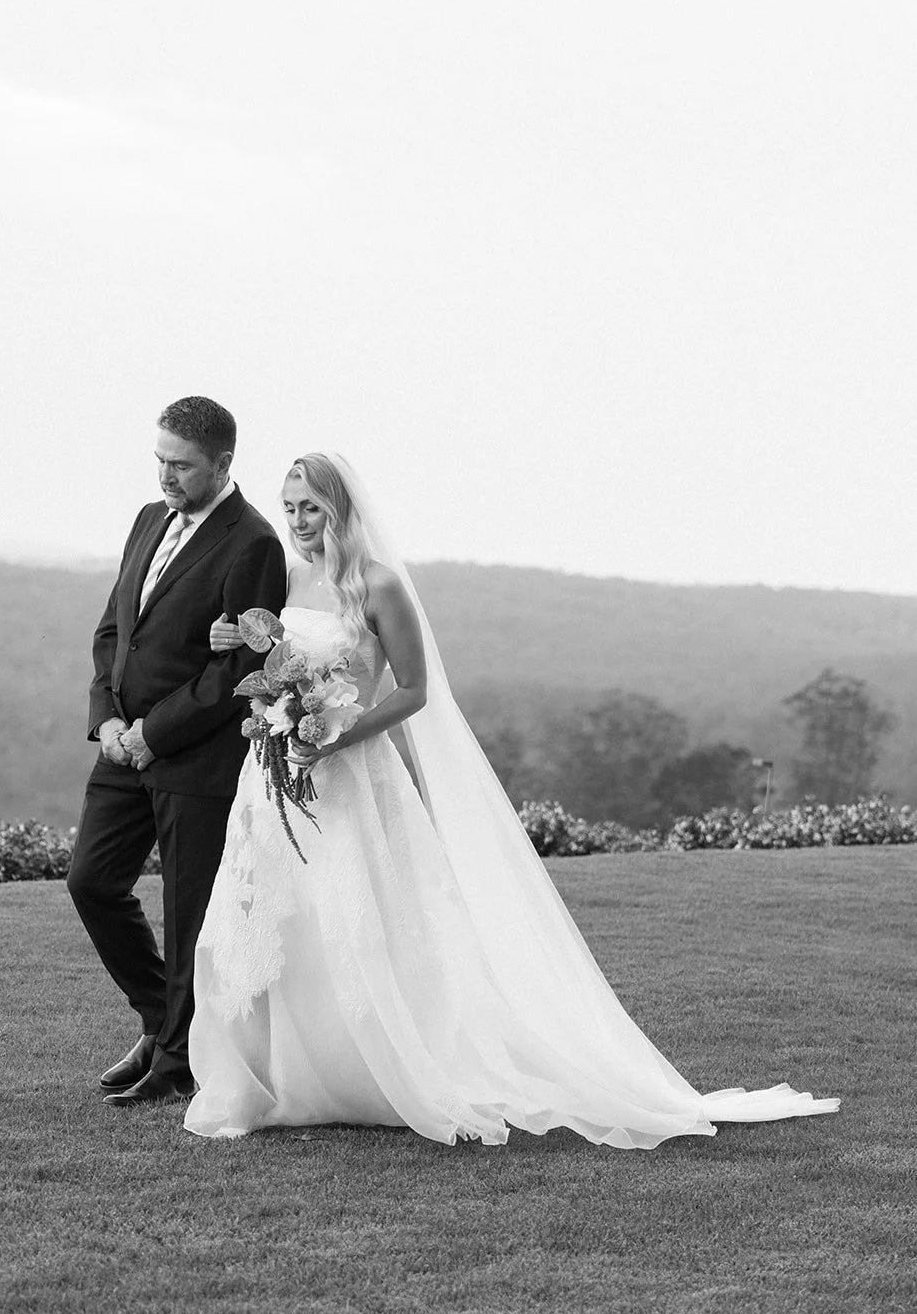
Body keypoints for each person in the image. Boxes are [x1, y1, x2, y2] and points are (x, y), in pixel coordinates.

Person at [183, 452, 839, 1146]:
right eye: (288, 508)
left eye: (309, 508)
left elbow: (413, 691)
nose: (296, 522)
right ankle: (291, 1073)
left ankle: (380, 1070)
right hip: (276, 770)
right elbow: (277, 659)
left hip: (347, 772)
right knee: (285, 919)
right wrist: (244, 654)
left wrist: (338, 737)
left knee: (355, 918)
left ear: (339, 509)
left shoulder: (377, 586)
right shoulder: (287, 578)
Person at [67, 397, 287, 1106]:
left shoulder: (252, 543)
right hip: (118, 746)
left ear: (221, 463)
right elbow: (113, 633)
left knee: (188, 914)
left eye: (181, 465)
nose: (165, 475)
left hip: (194, 758)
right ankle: (164, 1025)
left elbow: (234, 671)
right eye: (160, 459)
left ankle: (173, 1065)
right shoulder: (146, 518)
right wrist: (107, 722)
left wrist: (149, 734)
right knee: (92, 883)